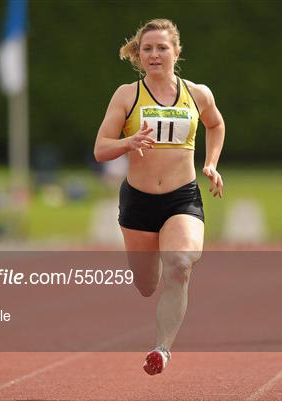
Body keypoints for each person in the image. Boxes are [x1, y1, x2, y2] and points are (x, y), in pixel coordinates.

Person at [94, 19, 225, 374]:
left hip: (182, 198)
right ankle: (151, 291)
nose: (155, 54)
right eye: (147, 49)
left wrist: (211, 164)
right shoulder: (127, 95)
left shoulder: (198, 94)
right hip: (138, 202)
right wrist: (128, 141)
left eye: (162, 48)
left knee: (180, 265)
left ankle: (161, 349)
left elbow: (215, 124)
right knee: (146, 285)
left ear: (176, 52)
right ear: (138, 55)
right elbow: (101, 148)